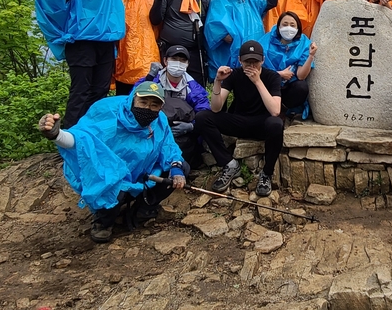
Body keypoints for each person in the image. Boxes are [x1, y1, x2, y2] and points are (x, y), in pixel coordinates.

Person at [37, 81, 188, 243]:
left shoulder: (159, 121)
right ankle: (103, 222)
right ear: (133, 99)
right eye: (143, 102)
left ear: (161, 107)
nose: (147, 109)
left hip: (141, 175)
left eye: (154, 105)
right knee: (112, 187)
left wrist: (176, 168)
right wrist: (57, 135)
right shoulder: (108, 113)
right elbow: (82, 139)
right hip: (108, 175)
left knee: (181, 166)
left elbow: (169, 147)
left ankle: (143, 209)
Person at [35, 0, 125, 128]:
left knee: (100, 91)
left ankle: (91, 135)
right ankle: (70, 137)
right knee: (81, 90)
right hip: (81, 39)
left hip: (106, 41)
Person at [195, 41, 283, 197]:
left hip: (262, 124)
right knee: (203, 117)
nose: (251, 65)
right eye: (247, 61)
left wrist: (257, 81)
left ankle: (266, 173)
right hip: (239, 120)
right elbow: (215, 107)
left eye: (255, 61)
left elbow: (275, 110)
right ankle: (229, 164)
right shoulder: (234, 74)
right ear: (240, 60)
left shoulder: (272, 77)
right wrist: (218, 81)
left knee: (276, 123)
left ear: (262, 60)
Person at [138, 45, 211, 170]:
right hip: (152, 128)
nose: (178, 63)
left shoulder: (194, 87)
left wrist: (192, 126)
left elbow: (205, 112)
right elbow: (133, 99)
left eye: (182, 60)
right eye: (174, 59)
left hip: (179, 132)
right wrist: (149, 77)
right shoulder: (153, 80)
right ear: (165, 61)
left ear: (188, 64)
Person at [203, 0, 279, 82]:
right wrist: (229, 38)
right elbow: (213, 25)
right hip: (228, 52)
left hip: (252, 52)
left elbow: (271, 2)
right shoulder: (218, 0)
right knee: (228, 80)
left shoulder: (251, 0)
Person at [151, 0, 212, 87]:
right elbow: (155, 20)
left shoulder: (205, 1)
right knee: (163, 86)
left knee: (196, 88)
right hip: (168, 49)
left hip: (195, 54)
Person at [257, 11, 317, 119]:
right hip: (268, 84)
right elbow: (257, 69)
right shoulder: (266, 41)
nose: (288, 28)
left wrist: (311, 56)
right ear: (278, 26)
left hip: (288, 87)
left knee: (301, 87)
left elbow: (301, 76)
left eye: (292, 25)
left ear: (298, 27)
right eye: (285, 24)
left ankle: (284, 109)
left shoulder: (304, 43)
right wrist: (278, 74)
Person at [114, 0, 160, 95]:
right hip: (123, 56)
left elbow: (156, 27)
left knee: (142, 97)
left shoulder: (148, 1)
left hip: (146, 57)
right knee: (123, 96)